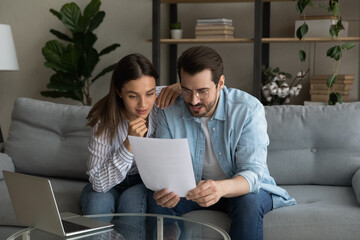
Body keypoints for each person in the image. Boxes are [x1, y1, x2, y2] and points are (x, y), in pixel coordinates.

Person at [147, 46, 296, 240]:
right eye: (186, 90)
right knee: (157, 202)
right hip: (193, 190)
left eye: (202, 91)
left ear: (220, 83)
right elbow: (166, 170)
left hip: (239, 189)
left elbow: (253, 172)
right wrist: (166, 189)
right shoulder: (169, 110)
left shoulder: (248, 110)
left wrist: (220, 188)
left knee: (248, 203)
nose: (194, 100)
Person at [80, 53, 180, 220]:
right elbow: (98, 183)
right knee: (97, 203)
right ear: (119, 92)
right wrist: (128, 145)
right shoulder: (104, 120)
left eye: (149, 93)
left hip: (142, 182)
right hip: (106, 182)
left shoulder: (161, 98)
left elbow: (209, 87)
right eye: (133, 96)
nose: (143, 104)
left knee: (131, 204)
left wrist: (180, 86)